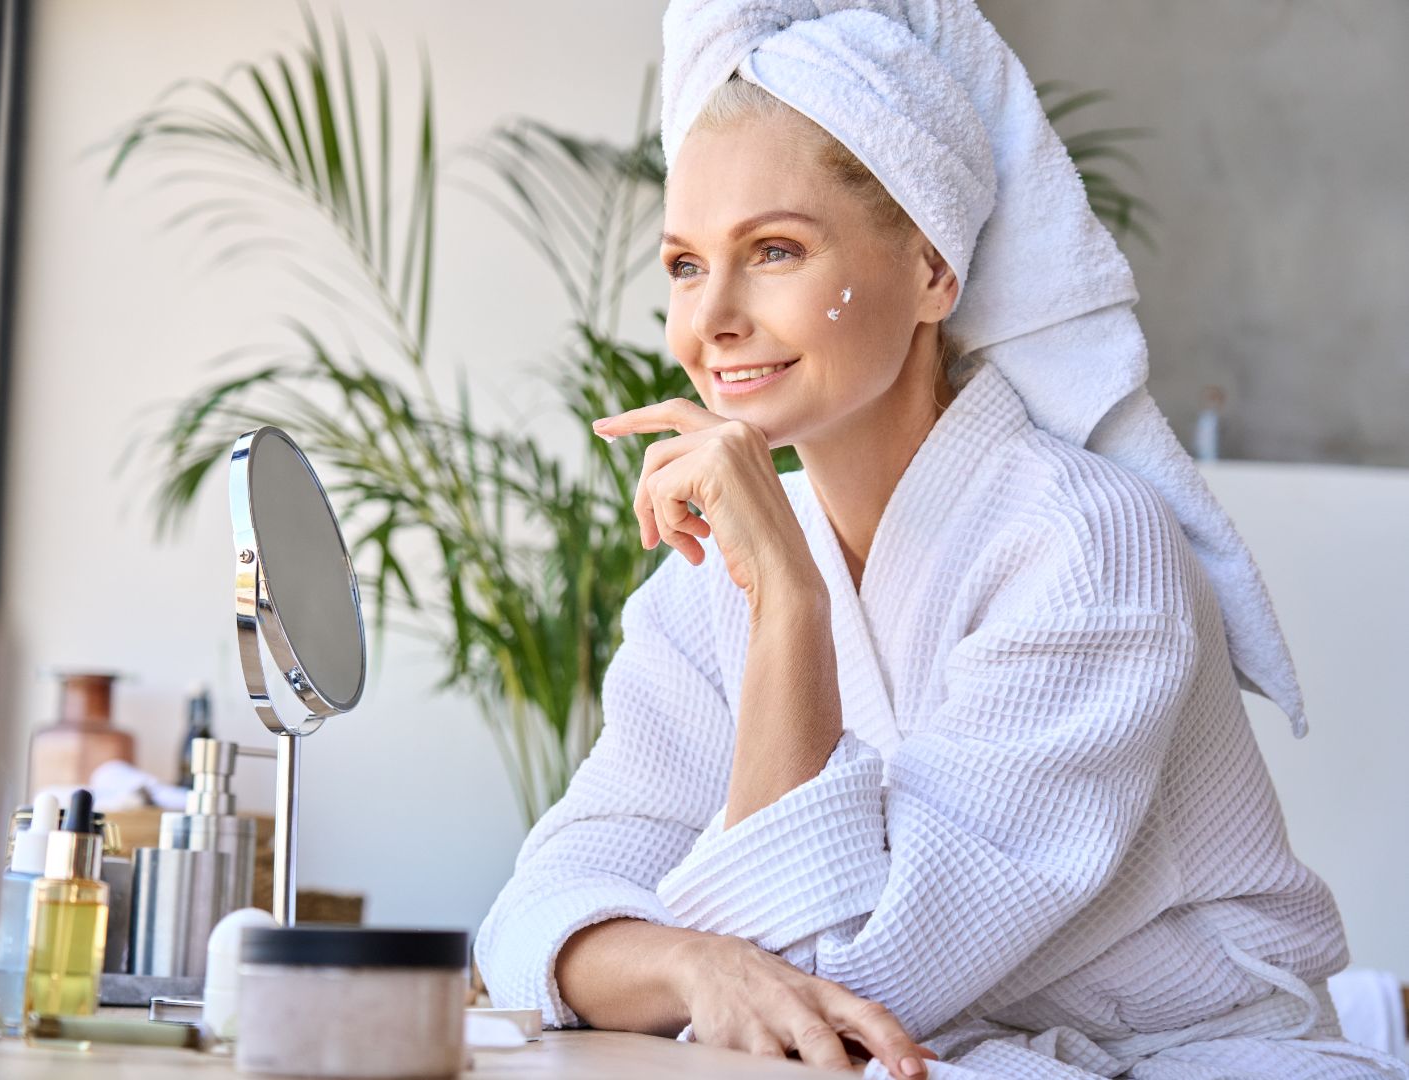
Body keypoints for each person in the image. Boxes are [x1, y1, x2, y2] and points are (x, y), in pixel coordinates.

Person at [476, 4, 1407, 1078]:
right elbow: (535, 919)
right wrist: (696, 972)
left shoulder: (1091, 550)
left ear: (932, 269)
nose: (711, 320)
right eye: (685, 266)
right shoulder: (707, 585)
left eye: (773, 250)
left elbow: (836, 973)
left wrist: (791, 606)